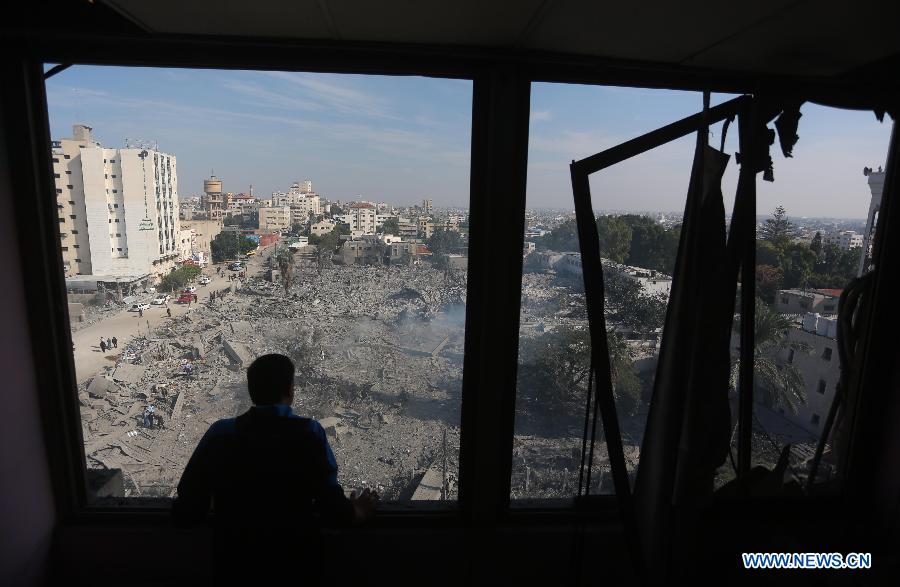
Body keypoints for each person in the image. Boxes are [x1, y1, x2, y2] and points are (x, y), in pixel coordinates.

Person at [173, 354, 378, 584]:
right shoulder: (310, 434)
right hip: (297, 564)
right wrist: (358, 510)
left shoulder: (220, 434)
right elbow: (332, 508)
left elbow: (189, 507)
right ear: (290, 390)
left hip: (234, 564)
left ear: (252, 391)